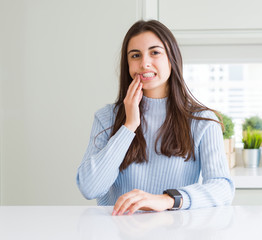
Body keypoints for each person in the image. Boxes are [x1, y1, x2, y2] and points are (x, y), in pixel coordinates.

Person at [76, 20, 234, 215]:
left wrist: (167, 199)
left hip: (176, 231)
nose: (144, 63)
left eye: (155, 52)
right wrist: (129, 126)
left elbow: (222, 189)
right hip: (118, 231)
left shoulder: (202, 121)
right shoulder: (107, 117)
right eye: (135, 55)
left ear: (171, 59)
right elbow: (90, 188)